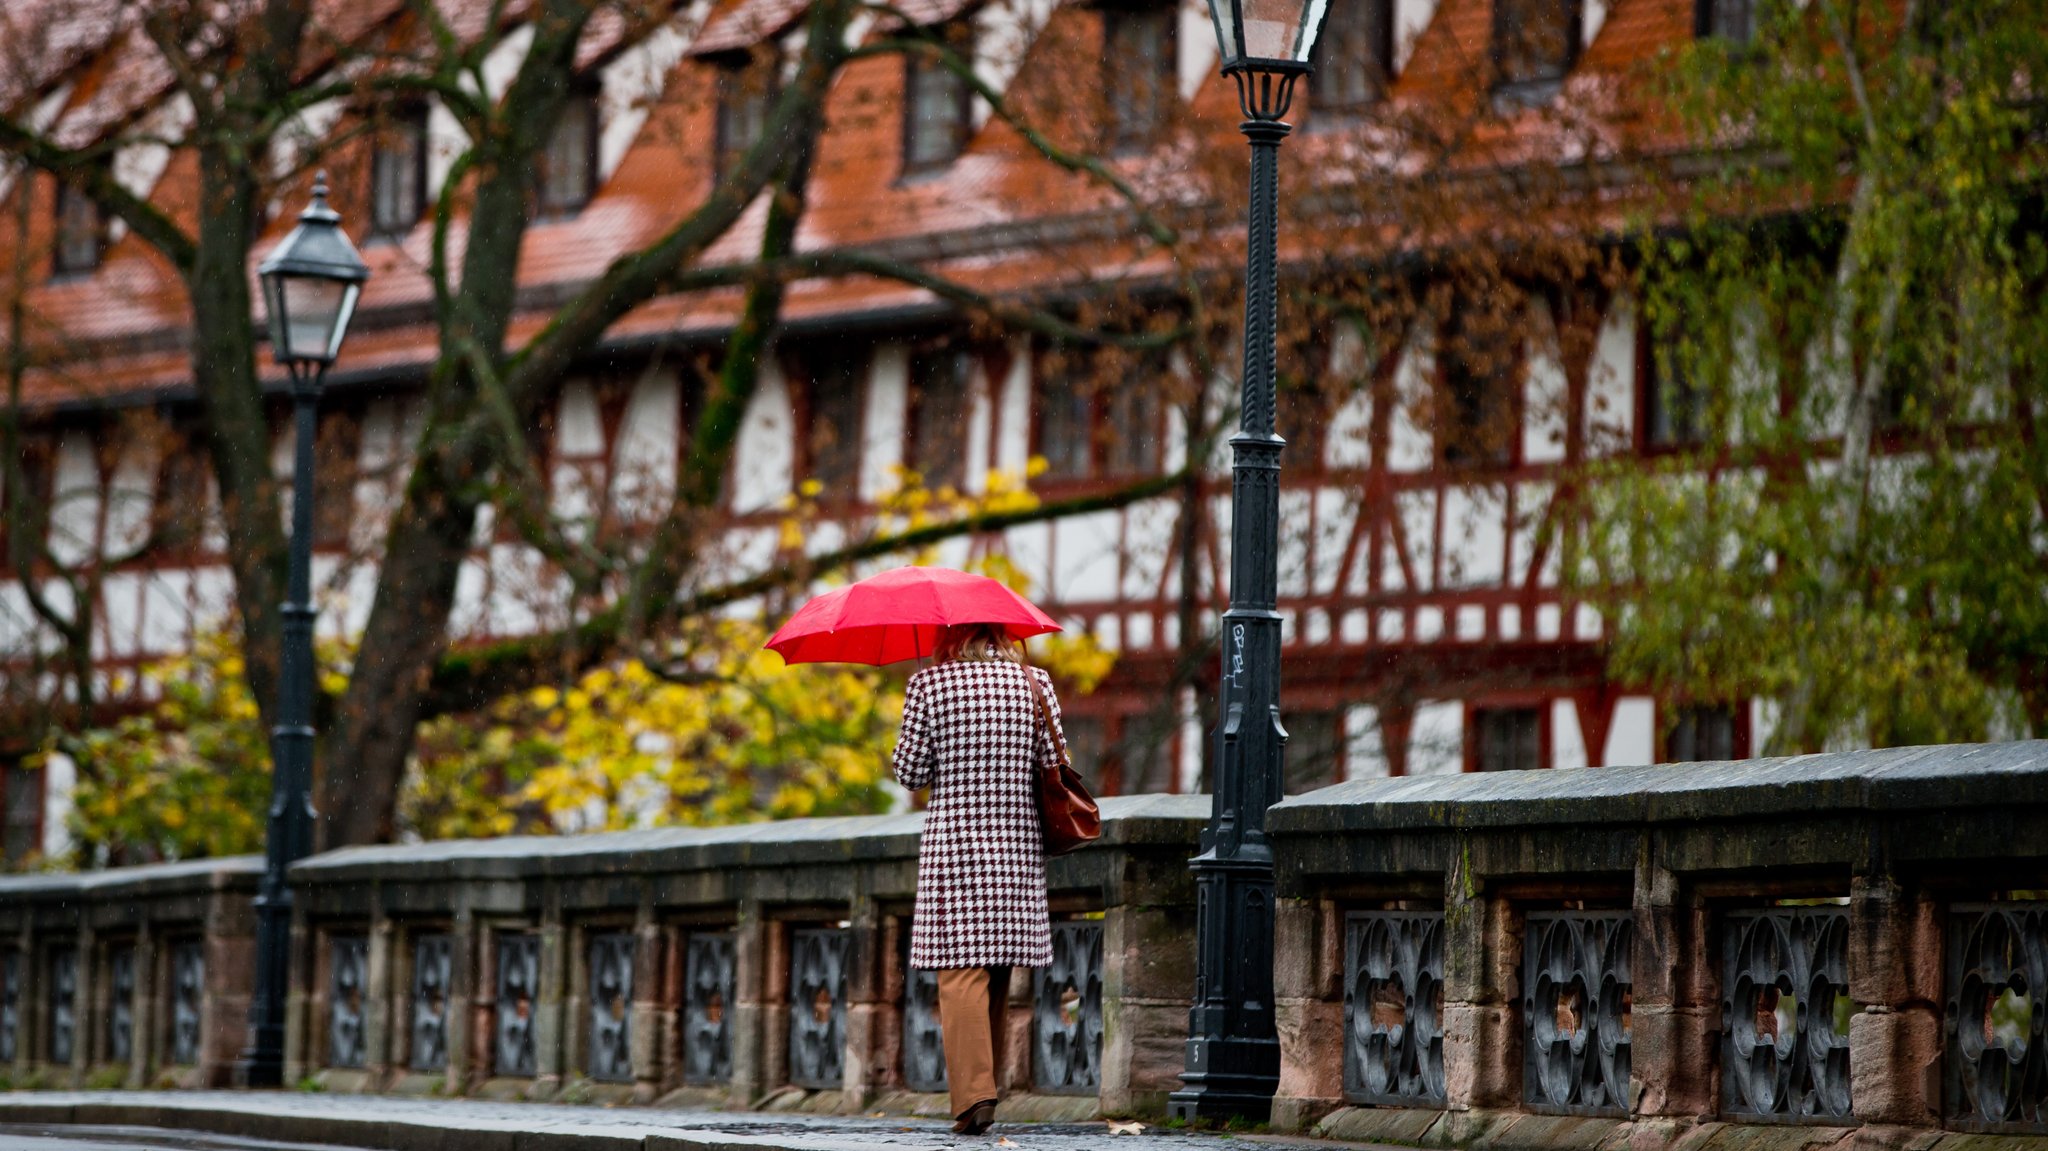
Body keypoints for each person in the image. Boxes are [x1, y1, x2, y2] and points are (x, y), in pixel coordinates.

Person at [891, 621, 1064, 1135]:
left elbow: (910, 772)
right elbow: (1055, 762)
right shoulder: (1035, 683)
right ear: (1002, 634)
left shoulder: (930, 685)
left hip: (956, 845)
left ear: (950, 637)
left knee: (959, 969)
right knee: (994, 967)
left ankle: (973, 1097)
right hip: (1015, 841)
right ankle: (984, 1089)